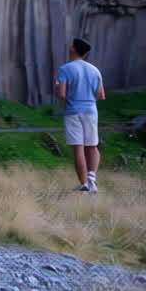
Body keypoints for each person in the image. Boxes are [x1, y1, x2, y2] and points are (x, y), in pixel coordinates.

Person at [55, 37, 105, 192]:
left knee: (78, 147)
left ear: (73, 49)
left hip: (73, 112)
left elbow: (61, 94)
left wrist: (57, 86)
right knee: (92, 146)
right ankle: (92, 179)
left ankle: (84, 185)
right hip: (91, 111)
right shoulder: (95, 70)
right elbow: (101, 95)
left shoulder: (65, 69)